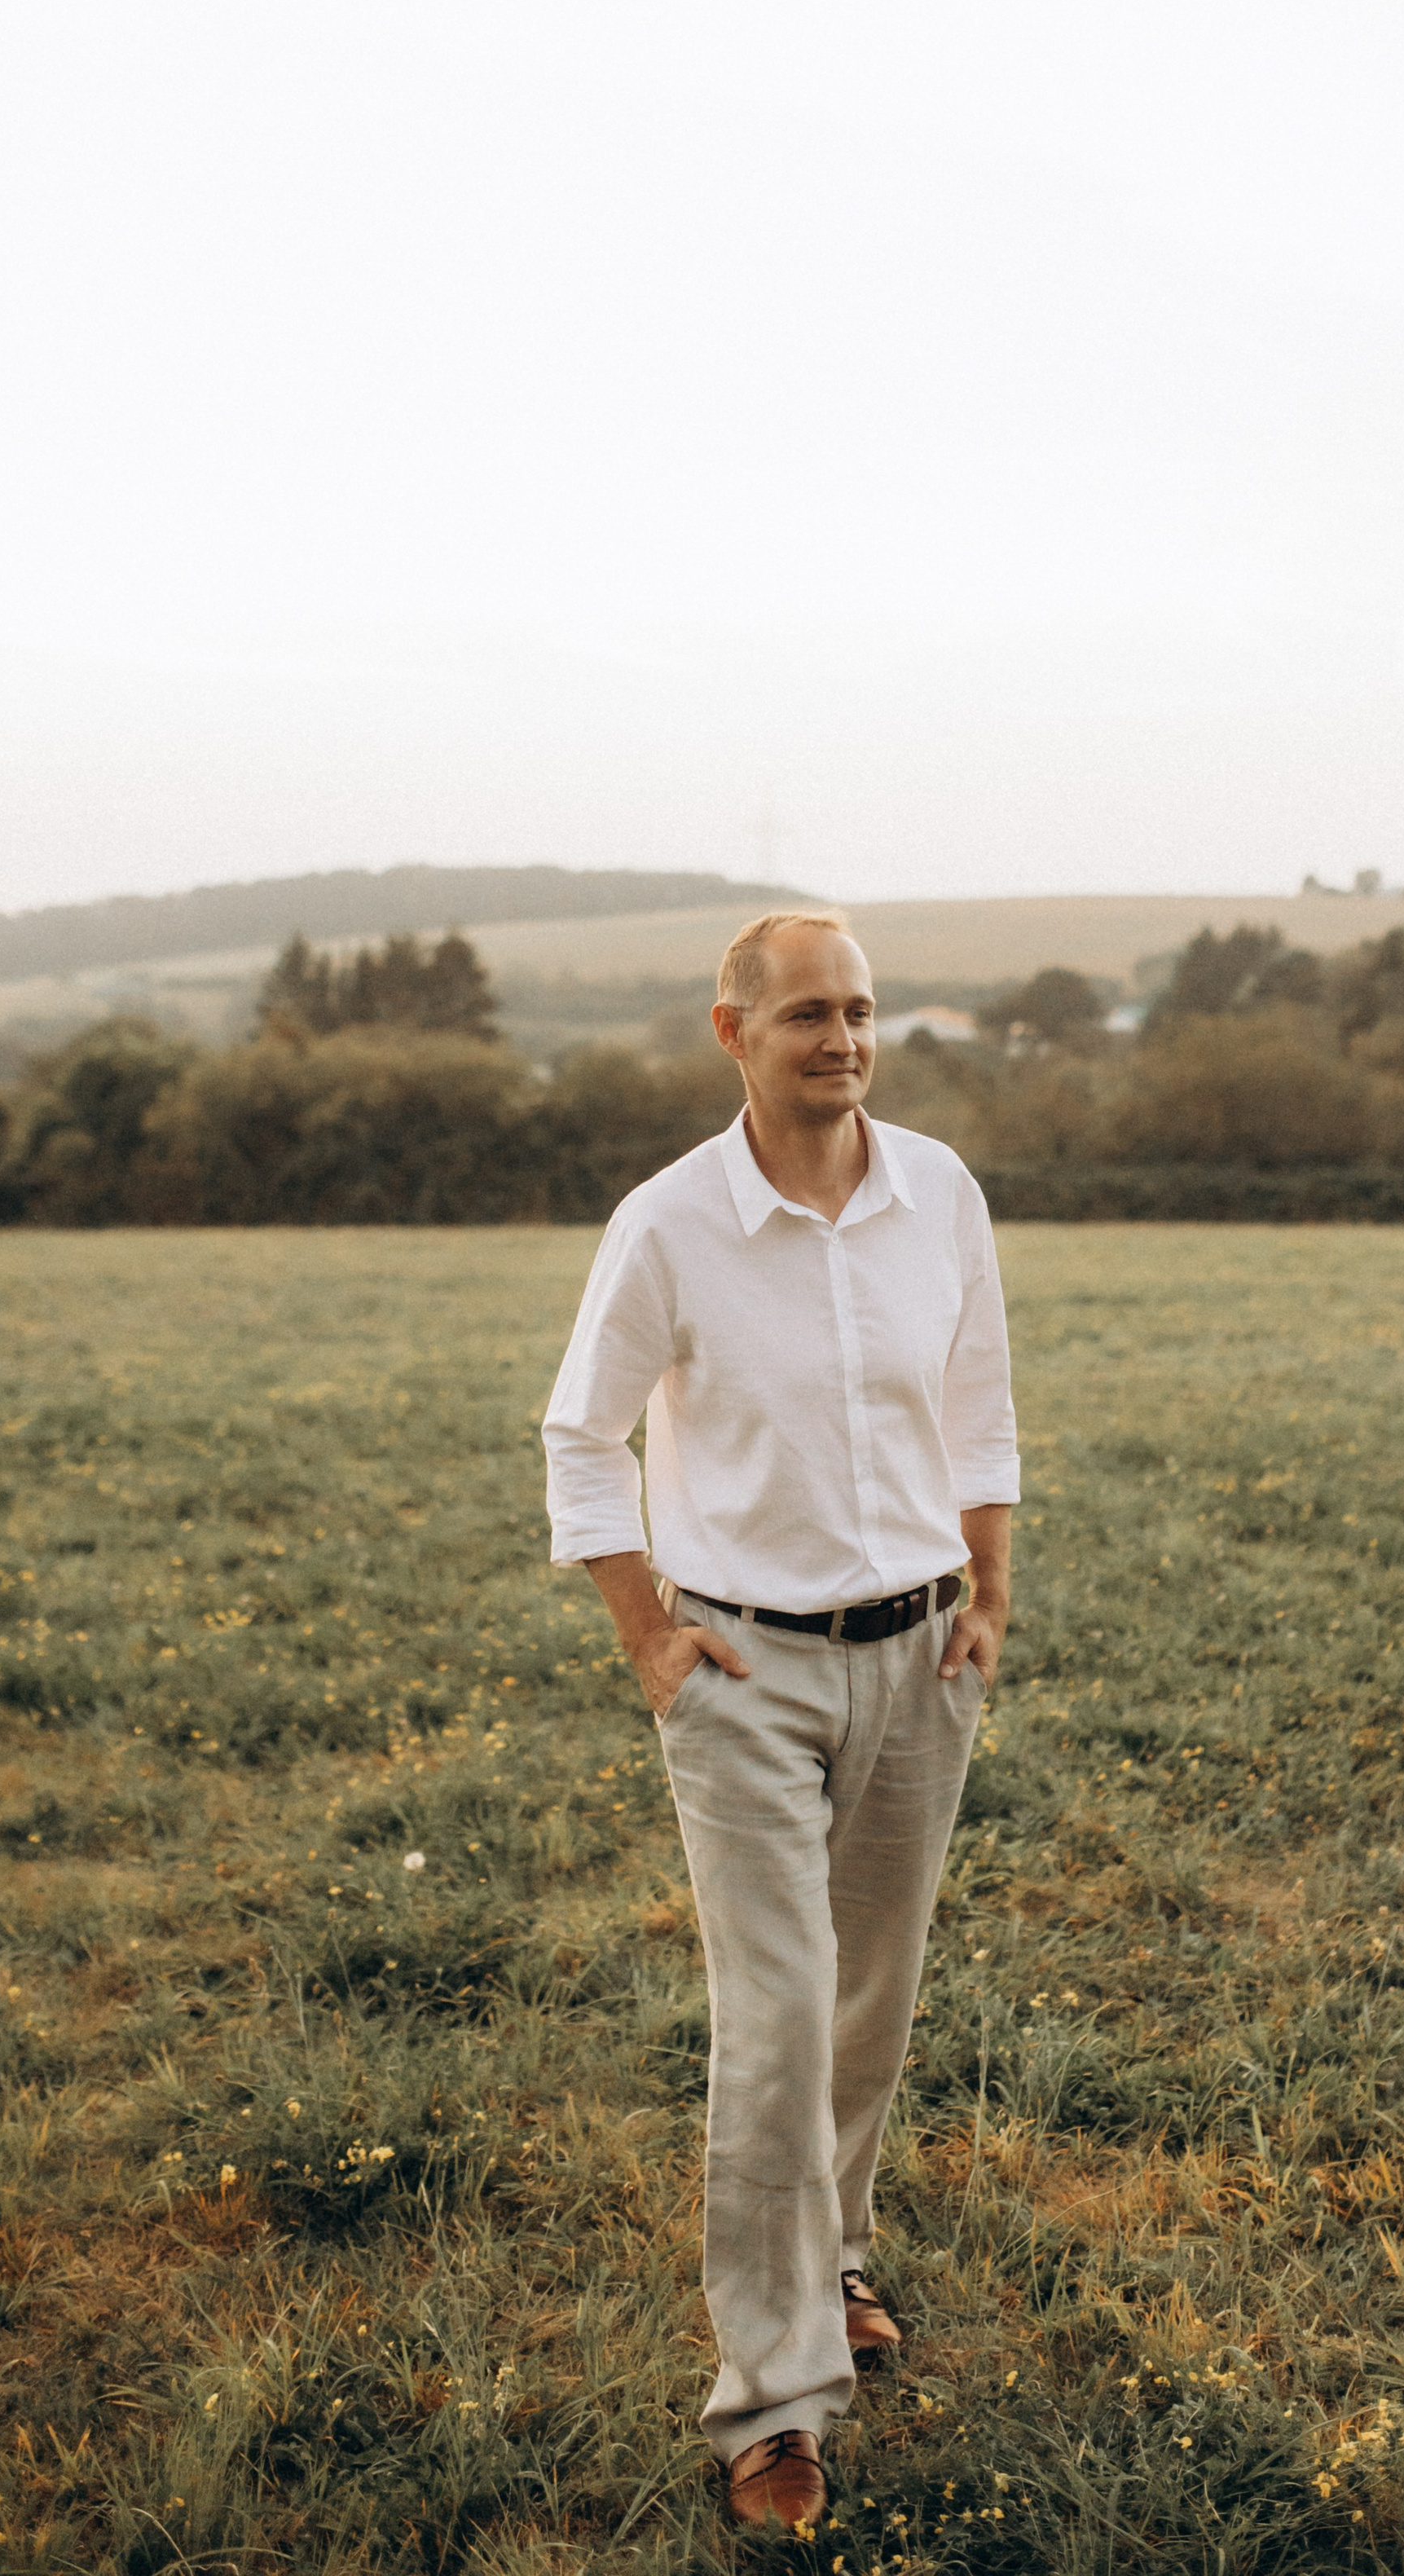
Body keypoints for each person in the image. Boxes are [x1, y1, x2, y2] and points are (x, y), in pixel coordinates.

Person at [542, 910, 1019, 2530]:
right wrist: (648, 1636)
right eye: (807, 1012)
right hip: (740, 1674)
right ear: (730, 1030)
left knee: (869, 2002)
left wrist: (990, 1593)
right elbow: (578, 1438)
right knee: (777, 2021)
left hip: (917, 1657)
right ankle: (773, 2398)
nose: (842, 1038)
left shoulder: (935, 1192)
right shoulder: (668, 1224)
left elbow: (979, 1405)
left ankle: (836, 2252)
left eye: (861, 1011)